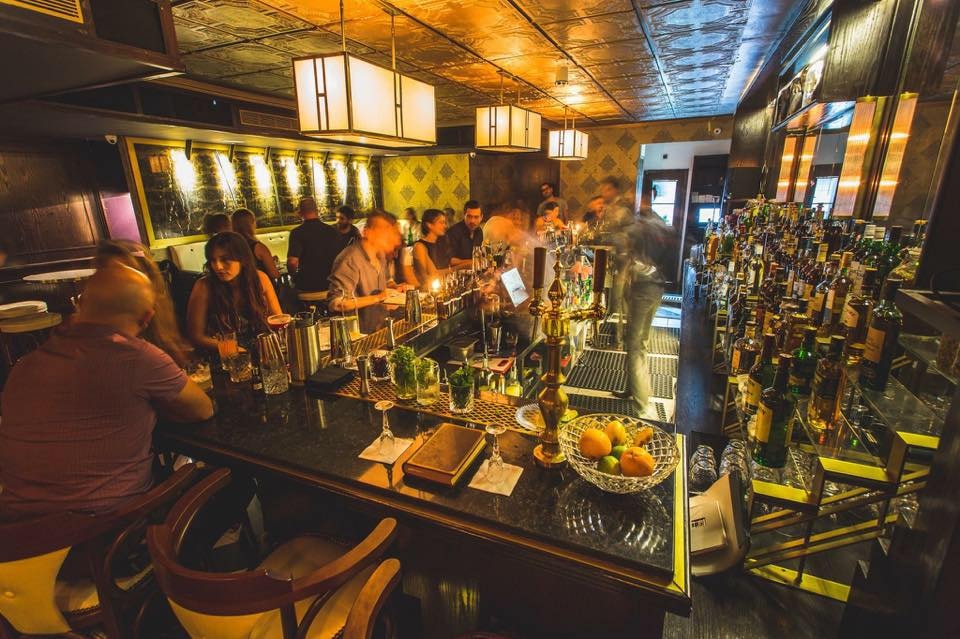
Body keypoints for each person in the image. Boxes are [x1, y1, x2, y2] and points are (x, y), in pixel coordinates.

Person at [0, 266, 213, 520]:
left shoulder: (25, 365)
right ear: (147, 317)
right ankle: (170, 557)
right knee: (231, 482)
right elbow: (202, 409)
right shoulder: (137, 357)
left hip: (15, 530)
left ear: (82, 305)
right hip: (98, 528)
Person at [94, 240, 191, 367]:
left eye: (122, 274)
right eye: (105, 274)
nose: (113, 282)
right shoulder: (97, 330)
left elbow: (174, 360)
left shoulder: (156, 309)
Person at [622, 184, 677, 408]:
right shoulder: (659, 222)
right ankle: (631, 388)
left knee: (635, 345)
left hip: (643, 288)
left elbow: (625, 249)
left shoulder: (640, 226)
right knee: (641, 340)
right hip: (657, 286)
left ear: (643, 199)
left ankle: (642, 403)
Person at [186, 232, 282, 352]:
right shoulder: (204, 286)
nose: (218, 266)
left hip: (262, 351)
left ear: (242, 259)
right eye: (212, 260)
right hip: (223, 356)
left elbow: (278, 319)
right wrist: (231, 348)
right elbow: (196, 337)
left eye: (225, 259)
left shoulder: (260, 279)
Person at [328, 210, 406, 334]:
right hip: (358, 334)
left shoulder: (380, 255)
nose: (390, 235)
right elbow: (337, 304)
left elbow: (387, 282)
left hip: (380, 328)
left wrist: (396, 289)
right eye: (384, 230)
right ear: (367, 232)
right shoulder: (349, 259)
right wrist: (378, 297)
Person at [287, 197, 340, 293]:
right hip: (331, 284)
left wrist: (293, 276)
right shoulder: (332, 231)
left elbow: (292, 262)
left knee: (288, 293)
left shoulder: (297, 233)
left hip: (307, 285)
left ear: (300, 213)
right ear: (317, 211)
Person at [230, 208, 281, 281]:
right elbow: (274, 274)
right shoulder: (258, 247)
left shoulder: (229, 247)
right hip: (261, 288)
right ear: (251, 224)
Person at [412, 209, 453, 287]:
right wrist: (459, 268)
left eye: (445, 223)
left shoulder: (442, 242)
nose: (445, 226)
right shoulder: (420, 246)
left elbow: (448, 263)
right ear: (429, 225)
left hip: (445, 285)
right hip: (428, 289)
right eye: (441, 223)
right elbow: (428, 276)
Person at [447, 200, 483, 267]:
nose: (472, 221)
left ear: (481, 217)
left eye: (476, 217)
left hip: (473, 272)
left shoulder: (479, 231)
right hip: (456, 274)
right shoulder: (453, 232)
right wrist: (473, 262)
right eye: (469, 216)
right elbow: (450, 261)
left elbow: (478, 254)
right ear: (464, 215)